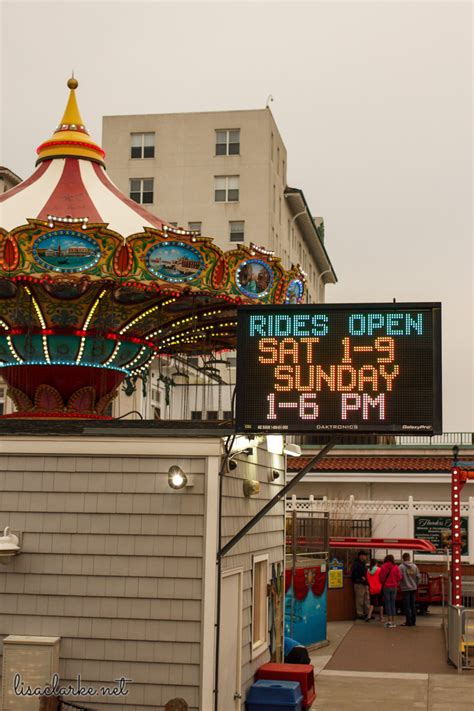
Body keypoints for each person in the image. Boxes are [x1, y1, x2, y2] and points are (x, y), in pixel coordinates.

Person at [379, 554, 402, 628]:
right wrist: (395, 582)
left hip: (386, 587)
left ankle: (389, 620)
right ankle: (393, 620)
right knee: (393, 603)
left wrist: (383, 582)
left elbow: (381, 578)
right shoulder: (396, 567)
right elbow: (399, 577)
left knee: (387, 603)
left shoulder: (383, 566)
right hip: (394, 587)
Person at [399, 552, 421, 626]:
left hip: (405, 588)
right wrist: (416, 584)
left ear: (403, 558)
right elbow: (418, 577)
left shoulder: (401, 567)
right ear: (409, 558)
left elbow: (399, 577)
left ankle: (408, 621)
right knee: (412, 604)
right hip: (413, 588)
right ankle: (413, 621)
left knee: (407, 605)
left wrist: (400, 584)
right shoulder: (415, 566)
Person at [351, 550, 369, 619]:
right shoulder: (356, 563)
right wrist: (361, 577)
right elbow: (354, 573)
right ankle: (360, 614)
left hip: (364, 583)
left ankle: (367, 613)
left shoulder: (362, 563)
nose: (366, 557)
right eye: (365, 555)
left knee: (366, 599)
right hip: (359, 584)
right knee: (360, 600)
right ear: (361, 556)